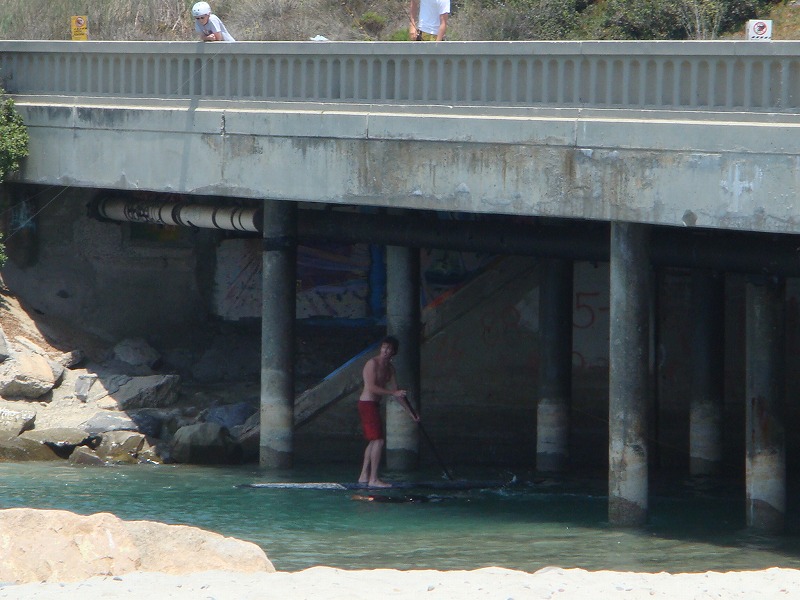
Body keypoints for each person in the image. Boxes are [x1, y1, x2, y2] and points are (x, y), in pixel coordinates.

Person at [358, 336, 420, 488]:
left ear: (393, 352)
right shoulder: (372, 363)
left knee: (374, 441)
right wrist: (393, 393)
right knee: (379, 441)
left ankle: (364, 476)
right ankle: (373, 479)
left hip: (374, 404)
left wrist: (411, 413)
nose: (385, 351)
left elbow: (397, 393)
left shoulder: (390, 369)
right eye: (384, 347)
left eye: (389, 349)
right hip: (366, 403)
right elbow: (371, 387)